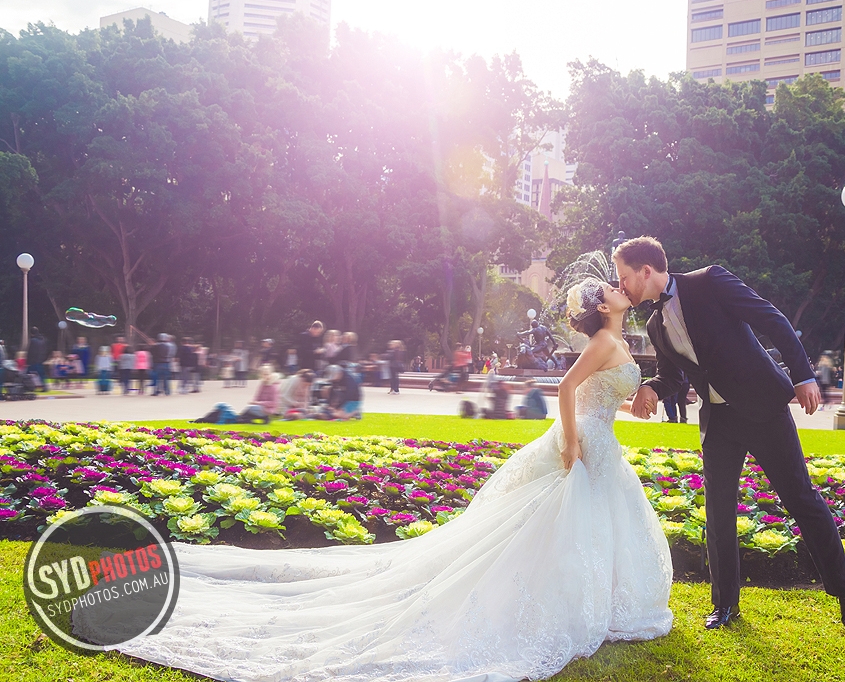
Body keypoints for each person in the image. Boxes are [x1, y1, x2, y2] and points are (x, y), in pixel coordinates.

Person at [94, 278, 674, 682]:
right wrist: (570, 441)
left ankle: (596, 602)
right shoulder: (604, 340)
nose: (620, 289)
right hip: (583, 444)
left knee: (578, 524)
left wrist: (634, 400)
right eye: (612, 289)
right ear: (601, 307)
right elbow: (565, 389)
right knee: (553, 523)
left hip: (601, 439)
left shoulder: (617, 341)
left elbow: (597, 393)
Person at [614, 235, 845, 633]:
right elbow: (672, 375)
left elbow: (773, 319)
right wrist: (651, 388)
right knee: (718, 512)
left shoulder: (710, 280)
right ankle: (724, 605)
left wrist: (803, 376)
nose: (621, 286)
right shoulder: (655, 324)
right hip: (718, 421)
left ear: (646, 271)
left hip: (763, 409)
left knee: (802, 499)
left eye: (624, 277)